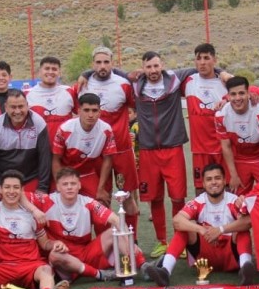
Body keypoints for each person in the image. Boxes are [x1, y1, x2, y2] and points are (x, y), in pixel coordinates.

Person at [143, 163, 255, 287]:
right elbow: (177, 220)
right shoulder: (198, 202)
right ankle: (165, 271)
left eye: (217, 178)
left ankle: (245, 269)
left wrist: (220, 230)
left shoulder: (234, 200)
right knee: (185, 228)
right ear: (203, 183)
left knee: (242, 230)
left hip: (230, 256)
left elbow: (247, 222)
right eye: (209, 179)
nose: (213, 182)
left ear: (224, 181)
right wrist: (201, 229)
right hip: (205, 257)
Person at [132, 51, 198, 258]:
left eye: (156, 66)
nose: (153, 70)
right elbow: (106, 71)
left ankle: (180, 240)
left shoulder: (175, 78)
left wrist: (224, 75)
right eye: (148, 67)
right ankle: (162, 241)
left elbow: (202, 67)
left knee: (178, 197)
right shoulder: (134, 84)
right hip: (148, 149)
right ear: (142, 68)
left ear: (163, 65)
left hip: (173, 147)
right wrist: (85, 74)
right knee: (155, 198)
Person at [34, 167, 145, 282]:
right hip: (64, 260)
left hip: (85, 254)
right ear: (57, 187)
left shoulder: (88, 202)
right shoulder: (46, 201)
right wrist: (34, 210)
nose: (69, 187)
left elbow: (116, 220)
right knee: (54, 255)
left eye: (73, 183)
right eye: (65, 184)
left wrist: (129, 242)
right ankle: (100, 275)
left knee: (115, 232)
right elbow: (20, 195)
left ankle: (143, 266)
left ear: (79, 185)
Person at [78, 47, 140, 234]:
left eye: (106, 62)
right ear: (92, 64)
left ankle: (132, 241)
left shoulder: (123, 84)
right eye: (98, 62)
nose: (102, 66)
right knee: (101, 198)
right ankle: (105, 243)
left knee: (127, 197)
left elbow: (135, 108)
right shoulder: (84, 85)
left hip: (121, 150)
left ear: (112, 63)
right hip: (96, 151)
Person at [0, 89, 52, 201]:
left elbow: (45, 157)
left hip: (30, 179)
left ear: (27, 106)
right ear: (6, 107)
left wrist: (42, 188)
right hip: (5, 181)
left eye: (21, 106)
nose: (18, 111)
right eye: (13, 107)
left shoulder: (39, 123)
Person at [52, 92, 117, 205]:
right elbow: (56, 159)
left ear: (100, 112)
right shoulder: (65, 129)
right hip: (67, 174)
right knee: (58, 206)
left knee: (101, 205)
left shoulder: (106, 130)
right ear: (79, 111)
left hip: (88, 174)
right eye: (86, 110)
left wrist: (101, 189)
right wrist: (59, 184)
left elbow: (108, 159)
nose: (90, 115)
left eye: (94, 110)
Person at [216, 76, 259, 195]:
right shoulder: (221, 114)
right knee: (237, 199)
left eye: (241, 93)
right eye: (233, 94)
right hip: (240, 159)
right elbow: (226, 147)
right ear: (227, 96)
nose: (237, 98)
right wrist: (233, 175)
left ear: (249, 93)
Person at [182, 43, 228, 193]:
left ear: (214, 60)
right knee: (201, 190)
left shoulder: (225, 83)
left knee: (226, 188)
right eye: (199, 58)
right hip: (200, 149)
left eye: (206, 58)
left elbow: (246, 91)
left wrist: (223, 73)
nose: (202, 62)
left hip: (223, 147)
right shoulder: (188, 81)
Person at [26, 56, 77, 148]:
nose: (50, 72)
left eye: (54, 69)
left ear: (59, 73)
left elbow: (81, 114)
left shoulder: (69, 91)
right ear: (39, 72)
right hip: (38, 149)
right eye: (47, 68)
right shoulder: (27, 94)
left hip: (64, 148)